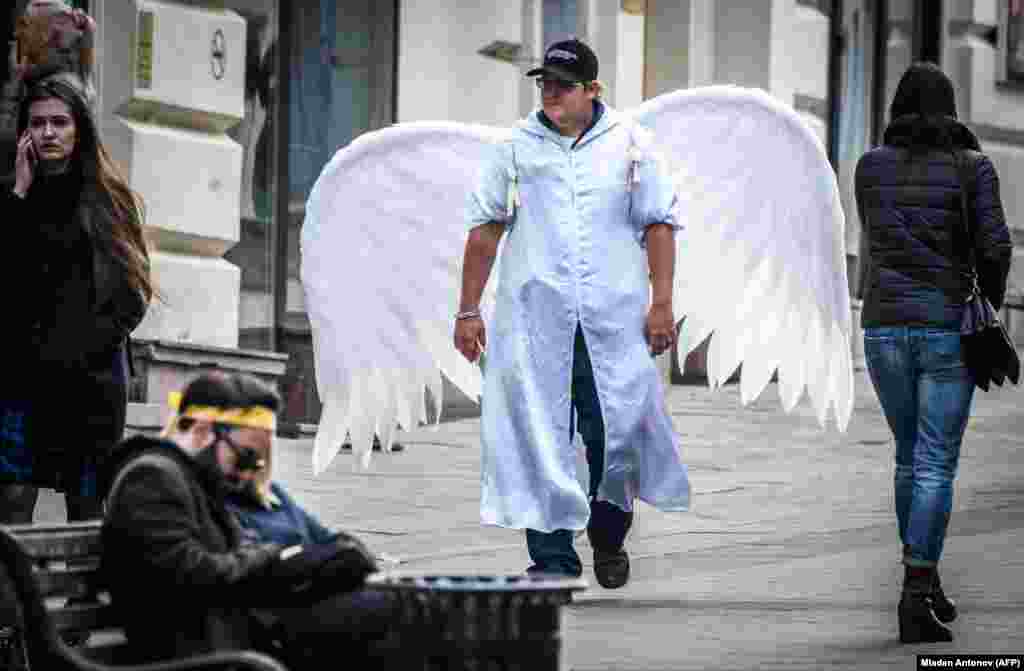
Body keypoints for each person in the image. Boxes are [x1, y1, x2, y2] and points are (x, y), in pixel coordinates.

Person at [454, 39, 690, 589]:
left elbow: (658, 222)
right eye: (545, 83)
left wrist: (662, 304)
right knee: (538, 433)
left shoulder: (630, 142)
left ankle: (608, 532)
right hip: (536, 322)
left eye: (563, 83)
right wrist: (468, 310)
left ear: (592, 90)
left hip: (612, 320)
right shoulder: (515, 148)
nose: (551, 93)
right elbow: (486, 229)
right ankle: (553, 560)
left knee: (616, 430)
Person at [854, 62, 1012, 644]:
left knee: (908, 456)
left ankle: (927, 576)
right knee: (935, 461)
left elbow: (876, 237)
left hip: (882, 328)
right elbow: (996, 246)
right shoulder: (973, 167)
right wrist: (985, 304)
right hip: (945, 328)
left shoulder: (869, 166)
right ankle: (915, 592)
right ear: (950, 107)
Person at [101, 371, 394, 667]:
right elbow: (191, 575)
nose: (248, 473)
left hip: (240, 641)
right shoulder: (152, 477)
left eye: (258, 463)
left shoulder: (196, 480)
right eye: (245, 457)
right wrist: (273, 557)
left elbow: (230, 566)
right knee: (398, 615)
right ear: (203, 431)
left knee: (408, 606)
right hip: (207, 656)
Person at [0, 70, 151, 524]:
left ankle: (86, 596)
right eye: (38, 122)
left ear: (79, 128)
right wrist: (19, 196)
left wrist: (83, 349)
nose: (48, 132)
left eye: (59, 122)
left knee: (86, 506)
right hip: (21, 382)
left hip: (90, 385)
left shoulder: (108, 199)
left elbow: (132, 296)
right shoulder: (12, 198)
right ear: (25, 130)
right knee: (11, 501)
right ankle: (15, 596)